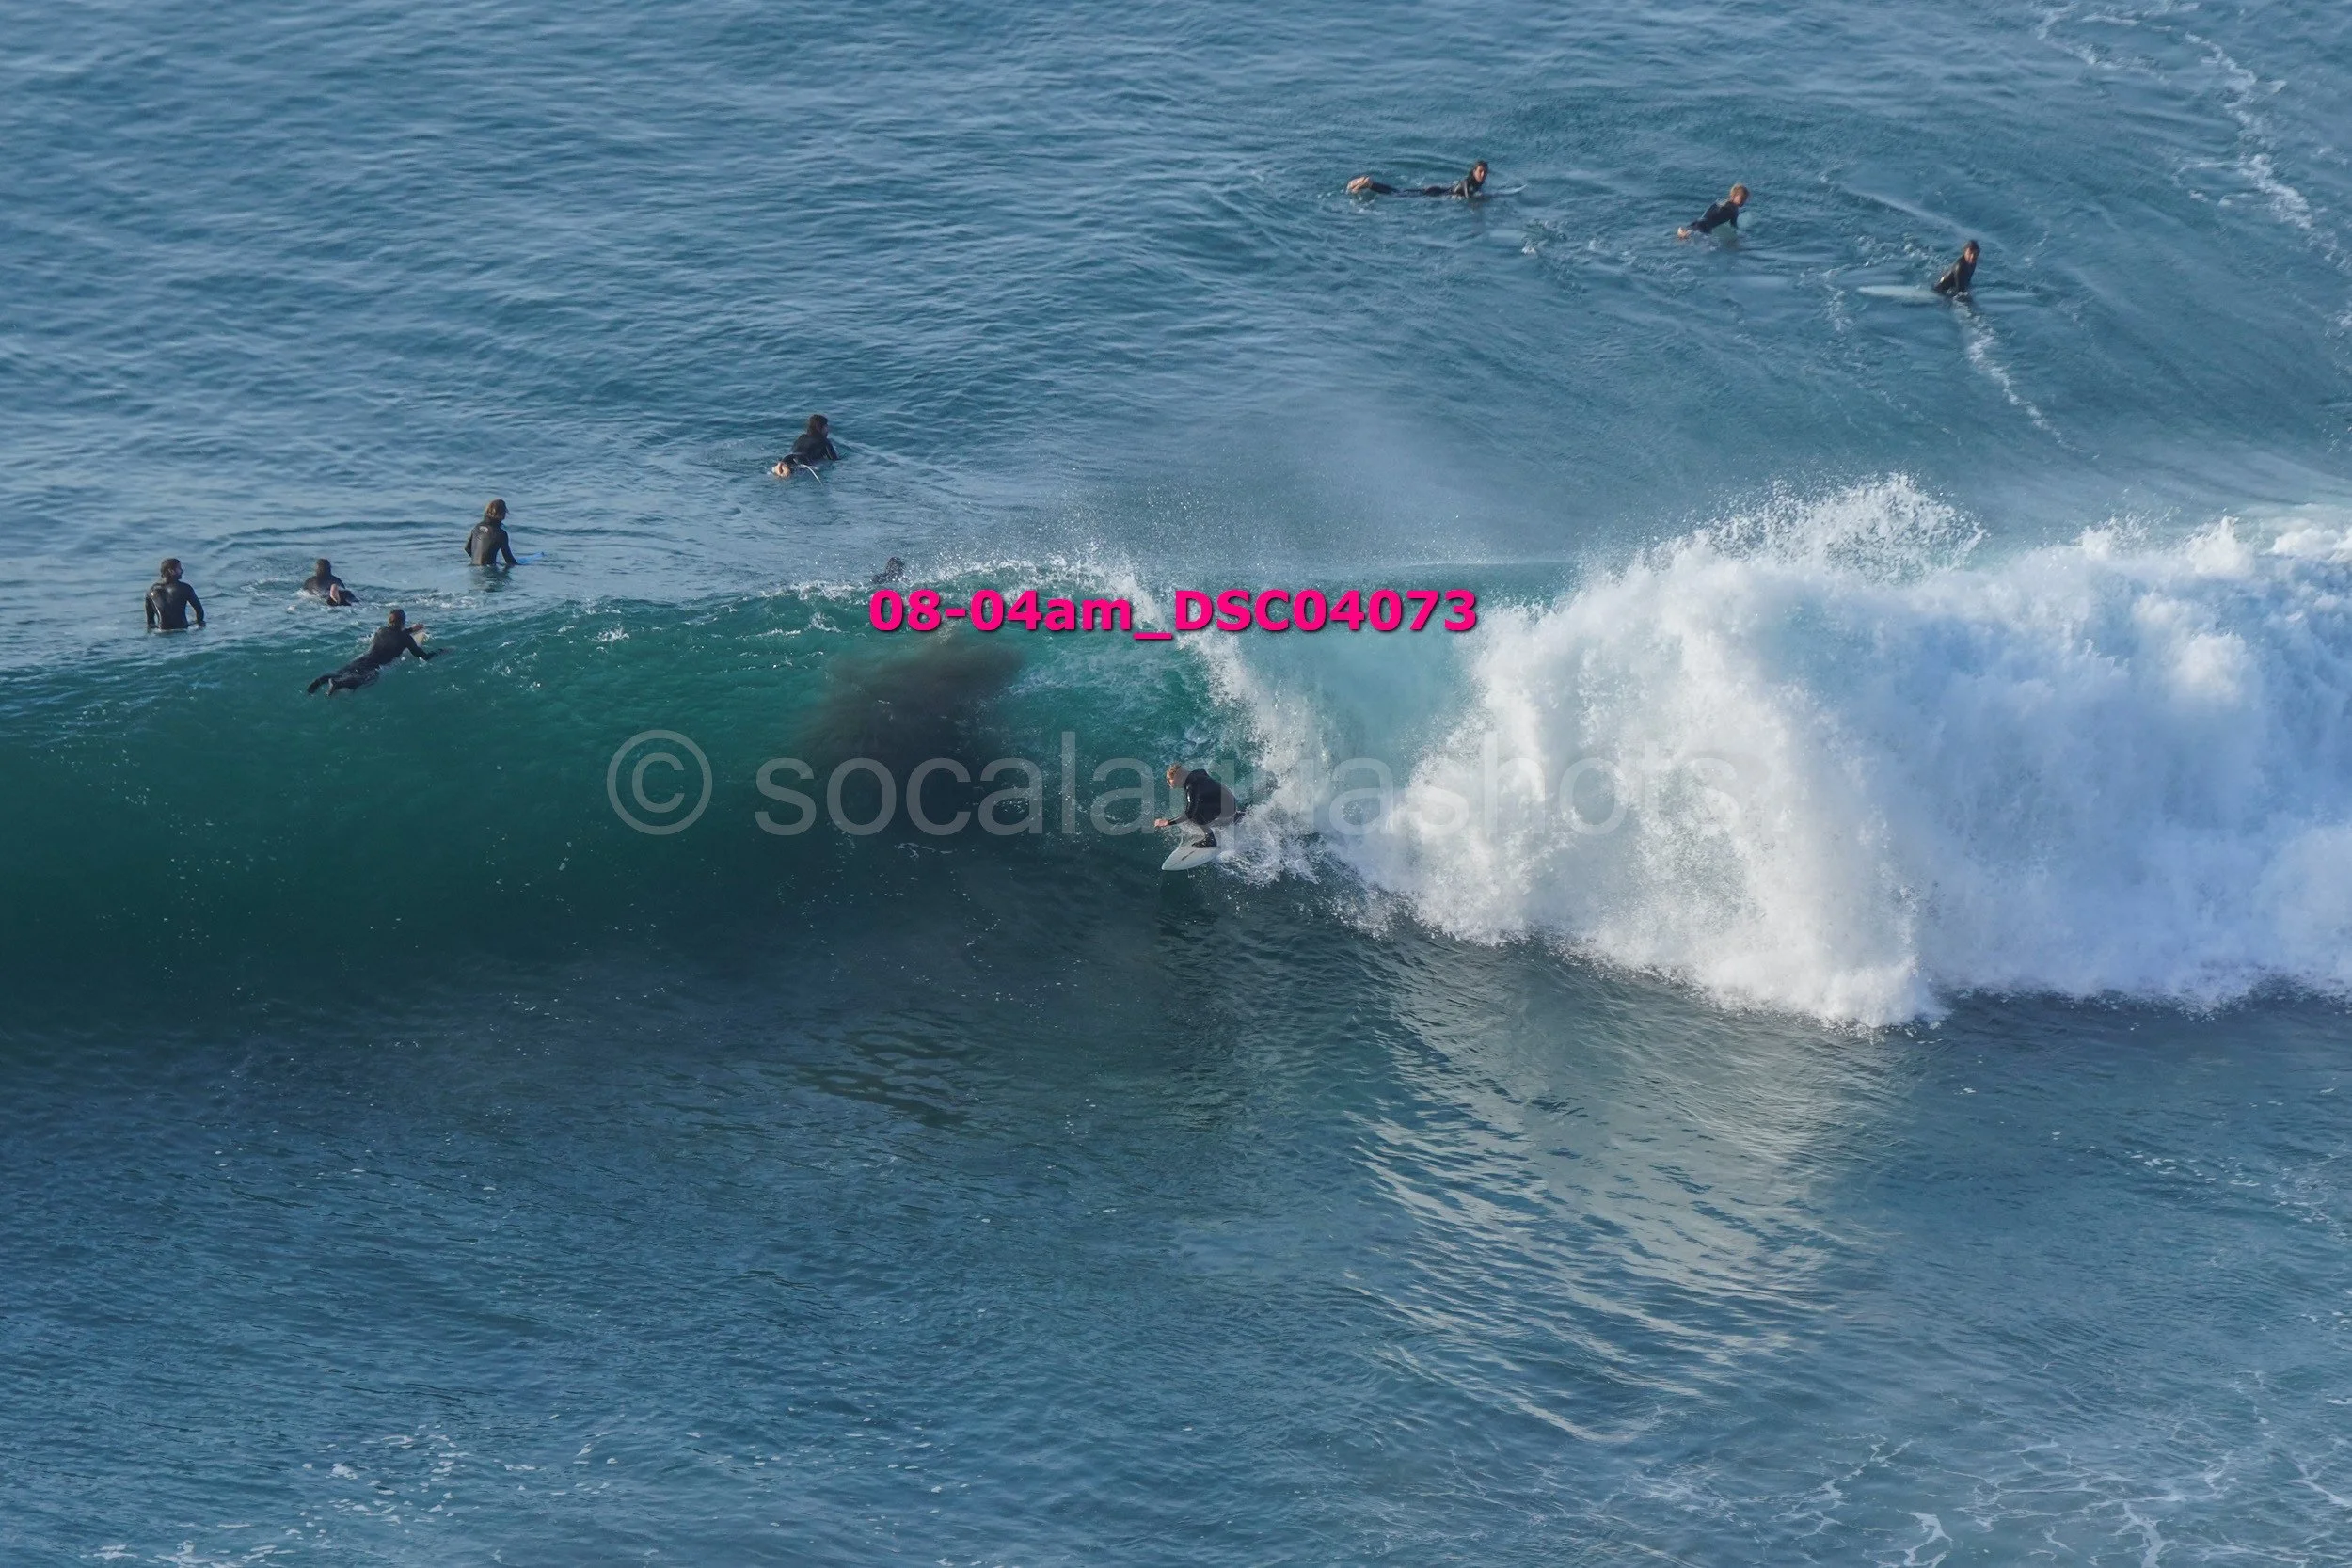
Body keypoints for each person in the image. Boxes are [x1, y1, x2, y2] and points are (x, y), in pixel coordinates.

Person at [306, 607, 440, 695]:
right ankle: (338, 684)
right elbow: (422, 656)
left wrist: (411, 629)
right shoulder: (406, 639)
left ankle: (318, 682)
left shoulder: (381, 631)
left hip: (363, 659)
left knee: (340, 672)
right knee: (365, 678)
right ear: (403, 622)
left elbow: (394, 634)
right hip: (374, 665)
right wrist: (440, 651)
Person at [1153, 764, 1242, 849]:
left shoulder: (1191, 786)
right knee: (1197, 805)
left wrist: (1167, 822)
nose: (1167, 782)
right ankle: (1233, 818)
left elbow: (1189, 813)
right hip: (1232, 802)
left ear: (1178, 777)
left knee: (1193, 813)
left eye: (1169, 779)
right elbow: (1205, 776)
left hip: (1227, 810)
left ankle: (1210, 839)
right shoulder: (1197, 773)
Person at [1349, 161, 1488, 199]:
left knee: (1397, 192)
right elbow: (1467, 194)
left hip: (1434, 191)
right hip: (1432, 193)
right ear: (1474, 171)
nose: (1482, 174)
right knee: (1397, 194)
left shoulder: (1474, 184)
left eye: (1485, 172)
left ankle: (1368, 183)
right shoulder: (1467, 182)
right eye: (1480, 171)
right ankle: (1369, 183)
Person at [144, 558, 205, 632]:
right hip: (182, 629)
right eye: (179, 568)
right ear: (171, 571)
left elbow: (150, 622)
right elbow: (199, 612)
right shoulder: (185, 588)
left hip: (162, 631)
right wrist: (199, 624)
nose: (182, 571)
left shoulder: (151, 591)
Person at [1677, 183, 1749, 239]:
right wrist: (1740, 237)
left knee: (1686, 237)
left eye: (1745, 199)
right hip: (1706, 227)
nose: (1743, 201)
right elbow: (1734, 227)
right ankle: (1685, 234)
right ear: (1733, 195)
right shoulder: (1734, 210)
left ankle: (1684, 233)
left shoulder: (1722, 200)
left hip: (1698, 221)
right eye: (1742, 198)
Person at [466, 499, 518, 567]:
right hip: (488, 571)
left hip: (474, 568)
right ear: (503, 514)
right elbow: (509, 560)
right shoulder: (501, 534)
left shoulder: (477, 527)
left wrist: (477, 560)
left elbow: (467, 548)